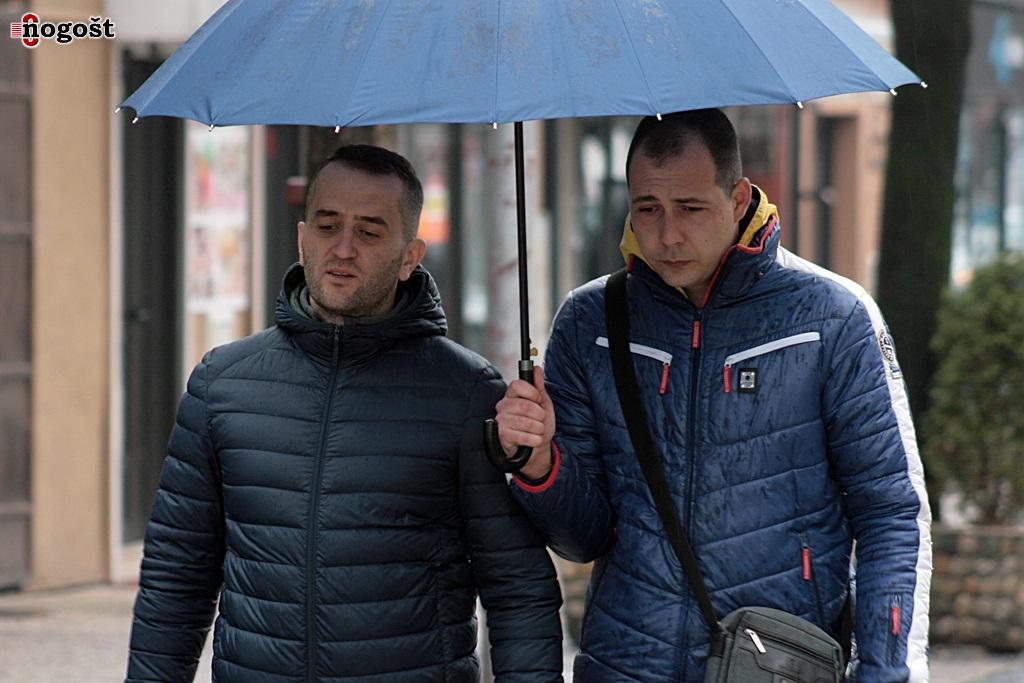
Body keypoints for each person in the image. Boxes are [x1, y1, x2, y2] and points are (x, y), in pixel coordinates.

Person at [495, 109, 931, 682]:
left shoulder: (833, 318)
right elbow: (583, 538)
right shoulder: (591, 320)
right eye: (648, 208)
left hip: (776, 665)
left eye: (691, 208)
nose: (668, 235)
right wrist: (540, 462)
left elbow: (891, 516)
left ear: (739, 197)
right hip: (626, 666)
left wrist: (885, 673)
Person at [126, 144, 564, 683]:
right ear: (302, 239)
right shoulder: (222, 383)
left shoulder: (467, 393)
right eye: (328, 226)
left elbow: (518, 589)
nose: (344, 248)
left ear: (410, 256)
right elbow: (176, 576)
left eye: (370, 232)